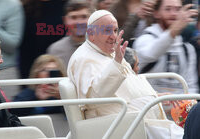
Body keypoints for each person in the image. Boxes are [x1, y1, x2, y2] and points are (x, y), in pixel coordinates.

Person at [68, 9, 184, 138]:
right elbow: (95, 98)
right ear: (91, 34)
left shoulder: (110, 53)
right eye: (107, 31)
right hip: (119, 124)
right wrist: (117, 63)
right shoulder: (83, 58)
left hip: (136, 119)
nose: (113, 36)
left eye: (115, 31)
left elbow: (128, 87)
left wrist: (156, 97)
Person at [133, 0, 199, 94]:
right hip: (151, 107)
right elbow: (151, 54)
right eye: (168, 9)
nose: (173, 14)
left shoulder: (188, 48)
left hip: (180, 108)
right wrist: (174, 30)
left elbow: (191, 86)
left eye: (177, 9)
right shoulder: (144, 39)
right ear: (156, 13)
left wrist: (188, 107)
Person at [19, 0, 71, 79]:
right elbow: (25, 51)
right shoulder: (26, 10)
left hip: (67, 69)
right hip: (38, 73)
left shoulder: (69, 4)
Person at [47, 0, 90, 68]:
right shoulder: (56, 50)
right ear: (65, 20)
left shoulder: (103, 46)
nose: (79, 22)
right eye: (73, 17)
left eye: (84, 17)